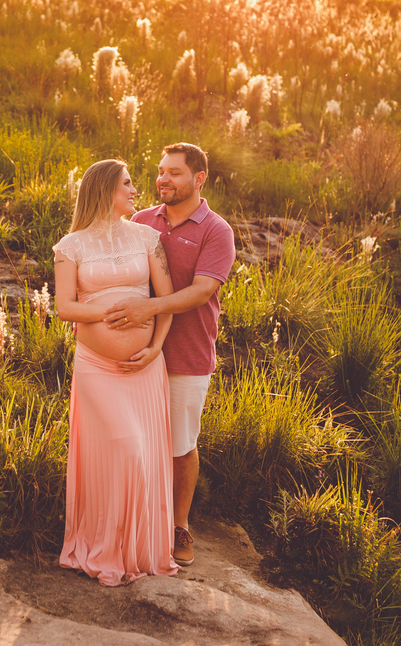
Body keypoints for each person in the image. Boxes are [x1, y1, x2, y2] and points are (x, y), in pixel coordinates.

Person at [103, 143, 235, 567]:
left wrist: (150, 308)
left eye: (174, 173)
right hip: (137, 353)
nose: (162, 179)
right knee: (135, 442)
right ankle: (136, 521)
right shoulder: (141, 221)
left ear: (199, 179)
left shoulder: (217, 230)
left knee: (180, 446)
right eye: (160, 171)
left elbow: (202, 291)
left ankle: (180, 525)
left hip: (188, 356)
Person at [53, 159, 179, 586]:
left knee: (143, 457)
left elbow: (166, 300)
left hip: (144, 367)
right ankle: (106, 547)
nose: (134, 189)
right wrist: (106, 311)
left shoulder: (148, 238)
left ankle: (137, 553)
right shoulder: (70, 245)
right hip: (97, 367)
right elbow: (64, 307)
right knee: (126, 451)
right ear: (106, 188)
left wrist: (155, 349)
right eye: (127, 183)